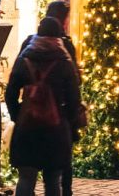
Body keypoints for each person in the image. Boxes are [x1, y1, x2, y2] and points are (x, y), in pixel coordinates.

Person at [5, 17, 81, 196]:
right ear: (58, 36)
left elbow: (10, 93)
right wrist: (67, 121)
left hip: (27, 128)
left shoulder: (25, 58)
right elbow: (74, 99)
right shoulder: (64, 60)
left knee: (26, 178)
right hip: (55, 129)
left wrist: (19, 115)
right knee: (53, 180)